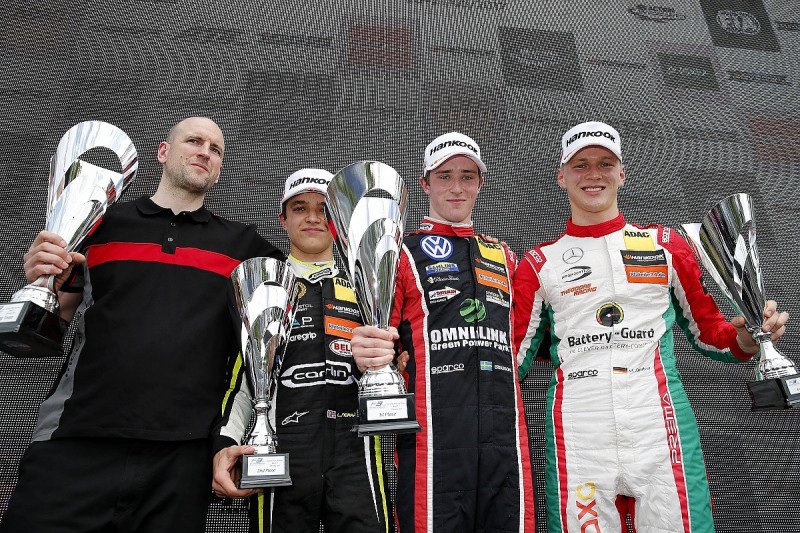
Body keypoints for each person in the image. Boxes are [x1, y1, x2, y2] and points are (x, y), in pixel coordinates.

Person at [0, 117, 282, 532]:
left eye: (215, 149)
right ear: (163, 152)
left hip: (181, 456)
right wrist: (41, 281)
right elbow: (54, 322)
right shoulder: (98, 223)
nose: (205, 152)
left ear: (219, 170)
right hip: (76, 438)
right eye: (194, 141)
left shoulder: (245, 247)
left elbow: (300, 292)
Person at [512, 121, 789, 533]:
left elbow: (708, 332)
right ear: (562, 176)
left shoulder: (665, 245)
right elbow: (511, 359)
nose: (593, 174)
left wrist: (749, 337)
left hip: (659, 424)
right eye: (581, 165)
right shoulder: (538, 263)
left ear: (622, 174)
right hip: (579, 429)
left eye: (605, 164)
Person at [351, 132, 537, 532]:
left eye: (467, 176)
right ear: (425, 184)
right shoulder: (401, 251)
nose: (456, 187)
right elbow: (377, 334)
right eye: (445, 176)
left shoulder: (505, 256)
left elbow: (524, 338)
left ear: (480, 183)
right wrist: (370, 352)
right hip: (433, 438)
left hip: (505, 436)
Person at [211, 169, 392, 532]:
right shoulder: (263, 287)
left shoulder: (369, 284)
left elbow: (399, 365)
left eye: (324, 209)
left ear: (339, 219)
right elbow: (241, 385)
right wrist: (223, 444)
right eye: (299, 208)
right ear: (282, 218)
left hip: (356, 452)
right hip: (280, 451)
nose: (312, 217)